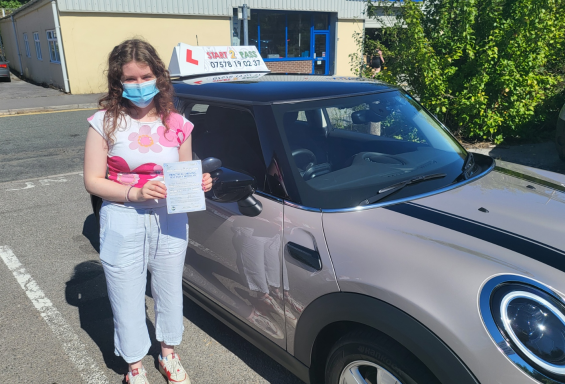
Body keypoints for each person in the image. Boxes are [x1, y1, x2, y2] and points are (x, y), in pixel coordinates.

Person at [83, 39, 213, 384]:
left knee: (169, 288)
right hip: (122, 216)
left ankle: (169, 353)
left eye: (146, 76)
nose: (139, 85)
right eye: (131, 78)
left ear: (159, 76)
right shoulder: (104, 123)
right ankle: (135, 366)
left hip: (170, 218)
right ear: (118, 81)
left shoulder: (178, 124)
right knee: (125, 291)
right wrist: (135, 192)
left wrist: (199, 183)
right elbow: (93, 181)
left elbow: (184, 174)